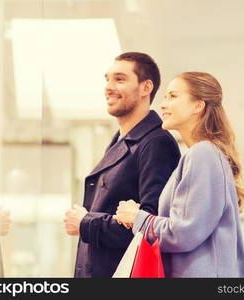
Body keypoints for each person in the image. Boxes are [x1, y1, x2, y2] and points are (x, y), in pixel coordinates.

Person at [114, 72, 244, 277]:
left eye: (172, 96)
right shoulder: (204, 155)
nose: (163, 105)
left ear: (198, 105)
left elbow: (184, 232)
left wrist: (137, 218)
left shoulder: (203, 154)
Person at [63, 52, 181, 278]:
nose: (108, 86)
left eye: (119, 79)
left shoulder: (156, 143)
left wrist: (86, 223)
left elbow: (151, 226)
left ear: (146, 87)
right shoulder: (119, 140)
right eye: (107, 79)